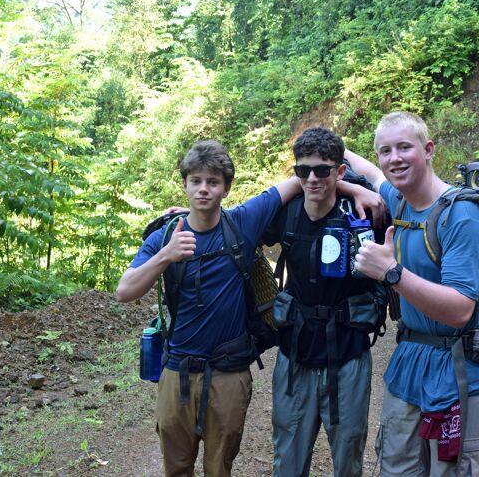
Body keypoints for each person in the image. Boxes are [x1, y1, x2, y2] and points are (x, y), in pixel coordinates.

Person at [116, 139, 384, 477]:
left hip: (229, 370)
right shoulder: (166, 236)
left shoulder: (242, 223)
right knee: (176, 467)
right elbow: (124, 292)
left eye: (213, 182)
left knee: (220, 467)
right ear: (183, 184)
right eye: (195, 181)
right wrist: (166, 255)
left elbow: (301, 182)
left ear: (226, 188)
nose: (203, 190)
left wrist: (349, 188)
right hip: (178, 368)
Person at [346, 112, 479, 476]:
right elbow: (371, 173)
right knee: (396, 468)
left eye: (405, 147)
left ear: (429, 149)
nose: (394, 159)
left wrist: (391, 273)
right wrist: (337, 154)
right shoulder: (400, 200)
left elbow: (460, 309)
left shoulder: (462, 217)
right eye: (386, 150)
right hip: (410, 367)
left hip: (463, 372)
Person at [263, 127, 388, 477]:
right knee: (287, 456)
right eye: (303, 171)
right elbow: (234, 224)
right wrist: (195, 210)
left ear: (341, 171)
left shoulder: (366, 214)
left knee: (348, 454)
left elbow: (415, 202)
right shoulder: (283, 214)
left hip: (347, 350)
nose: (313, 178)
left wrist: (357, 188)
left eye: (323, 170)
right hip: (295, 351)